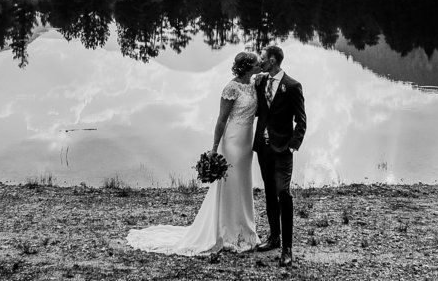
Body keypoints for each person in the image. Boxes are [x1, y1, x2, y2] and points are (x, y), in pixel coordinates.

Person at [126, 51, 261, 256]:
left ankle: (245, 229)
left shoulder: (253, 84)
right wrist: (214, 149)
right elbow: (221, 120)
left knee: (242, 184)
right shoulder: (231, 88)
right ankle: (226, 231)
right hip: (232, 142)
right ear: (247, 67)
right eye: (256, 63)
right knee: (229, 185)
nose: (259, 65)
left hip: (247, 144)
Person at [253, 45, 306, 268]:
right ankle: (274, 238)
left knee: (284, 193)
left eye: (263, 59)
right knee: (269, 192)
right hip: (263, 149)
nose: (260, 62)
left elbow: (301, 121)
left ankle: (287, 249)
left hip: (283, 150)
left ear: (273, 61)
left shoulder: (292, 86)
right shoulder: (261, 82)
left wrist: (293, 146)